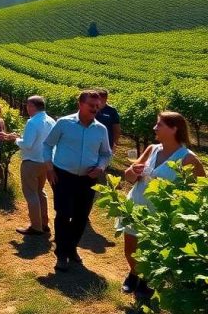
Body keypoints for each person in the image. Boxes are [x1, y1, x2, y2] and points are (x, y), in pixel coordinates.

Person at [118, 111, 204, 297]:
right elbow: (129, 177)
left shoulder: (188, 158)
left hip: (161, 214)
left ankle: (147, 282)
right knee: (130, 249)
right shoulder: (152, 149)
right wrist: (134, 171)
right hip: (136, 205)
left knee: (152, 251)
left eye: (159, 125)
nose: (154, 128)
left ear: (174, 129)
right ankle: (134, 273)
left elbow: (200, 190)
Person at [43, 90, 112, 272]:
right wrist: (49, 168)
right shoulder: (64, 123)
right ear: (80, 104)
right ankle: (61, 254)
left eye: (97, 106)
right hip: (63, 175)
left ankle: (71, 247)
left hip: (88, 179)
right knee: (64, 214)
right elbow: (47, 144)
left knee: (81, 216)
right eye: (91, 105)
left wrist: (100, 167)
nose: (95, 109)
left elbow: (106, 153)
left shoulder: (100, 129)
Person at [15, 95, 56, 235]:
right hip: (45, 162)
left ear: (33, 107)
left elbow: (27, 144)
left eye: (28, 105)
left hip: (31, 162)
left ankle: (36, 227)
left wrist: (16, 140)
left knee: (31, 194)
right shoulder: (51, 121)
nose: (26, 107)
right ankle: (44, 223)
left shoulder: (32, 122)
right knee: (40, 192)